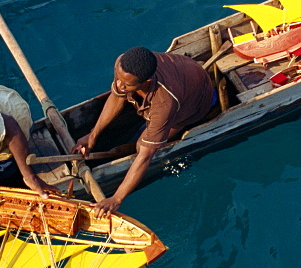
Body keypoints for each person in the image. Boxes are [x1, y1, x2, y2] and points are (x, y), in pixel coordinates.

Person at [74, 46, 216, 217]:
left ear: (146, 81)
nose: (119, 84)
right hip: (184, 71)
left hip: (194, 103)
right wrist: (93, 135)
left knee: (141, 145)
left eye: (126, 84)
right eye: (118, 79)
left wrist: (117, 198)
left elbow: (145, 156)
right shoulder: (123, 64)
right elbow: (117, 95)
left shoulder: (165, 102)